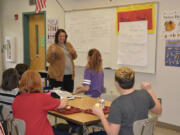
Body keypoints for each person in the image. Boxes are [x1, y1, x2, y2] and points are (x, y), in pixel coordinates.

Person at [92, 67, 162, 135]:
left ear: (116, 84)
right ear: (134, 81)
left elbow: (112, 133)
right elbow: (158, 110)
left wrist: (101, 115)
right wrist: (149, 89)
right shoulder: (144, 94)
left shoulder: (117, 104)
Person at [12, 70, 68, 135]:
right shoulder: (42, 98)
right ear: (38, 82)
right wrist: (65, 97)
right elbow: (62, 104)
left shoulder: (16, 99)